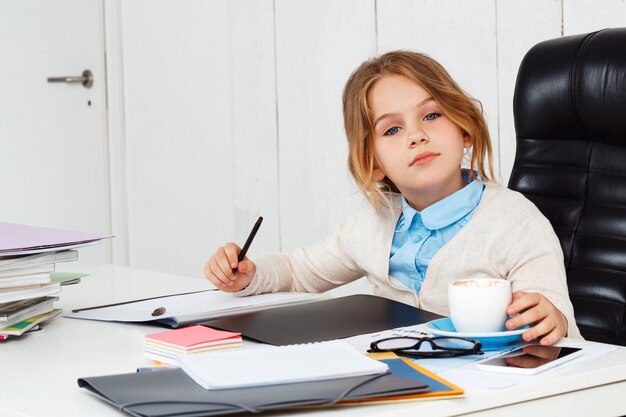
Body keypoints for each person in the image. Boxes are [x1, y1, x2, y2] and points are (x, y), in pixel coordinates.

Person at [204, 50, 582, 345]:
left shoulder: (515, 222)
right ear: (374, 164)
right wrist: (247, 275)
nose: (416, 136)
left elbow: (557, 322)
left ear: (464, 130)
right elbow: (299, 273)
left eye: (432, 116)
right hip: (398, 381)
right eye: (393, 129)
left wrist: (552, 319)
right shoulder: (373, 223)